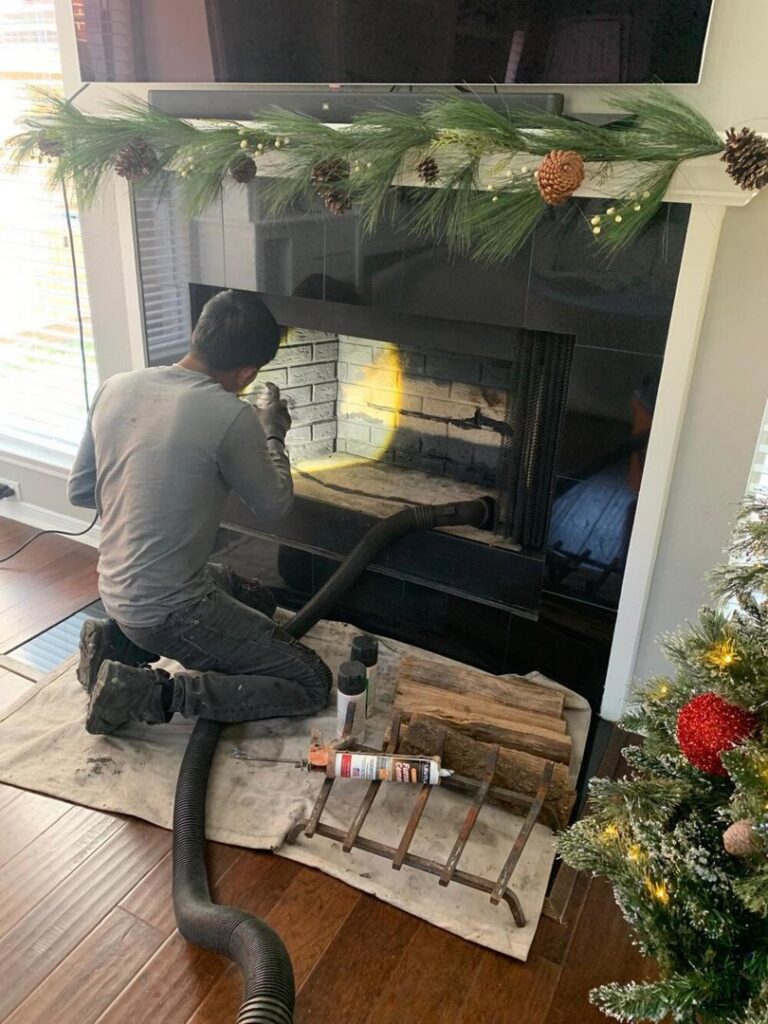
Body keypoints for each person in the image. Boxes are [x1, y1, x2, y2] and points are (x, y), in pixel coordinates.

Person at [68, 289, 331, 736]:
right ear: (248, 371)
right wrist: (272, 433)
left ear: (198, 334)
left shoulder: (116, 385)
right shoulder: (232, 415)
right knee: (311, 681)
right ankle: (153, 693)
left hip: (112, 588)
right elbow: (274, 505)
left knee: (257, 601)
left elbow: (80, 490)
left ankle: (116, 644)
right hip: (169, 612)